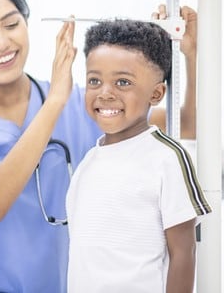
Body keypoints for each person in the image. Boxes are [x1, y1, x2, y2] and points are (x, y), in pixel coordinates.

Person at [0, 0, 199, 292]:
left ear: (27, 21)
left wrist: (189, 54)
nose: (1, 43)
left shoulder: (83, 105)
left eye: (11, 24)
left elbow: (188, 123)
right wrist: (55, 101)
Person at [65, 20, 211, 293]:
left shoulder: (167, 158)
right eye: (94, 80)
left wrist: (191, 54)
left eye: (123, 82)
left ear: (156, 94)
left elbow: (183, 253)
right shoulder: (88, 163)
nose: (105, 93)